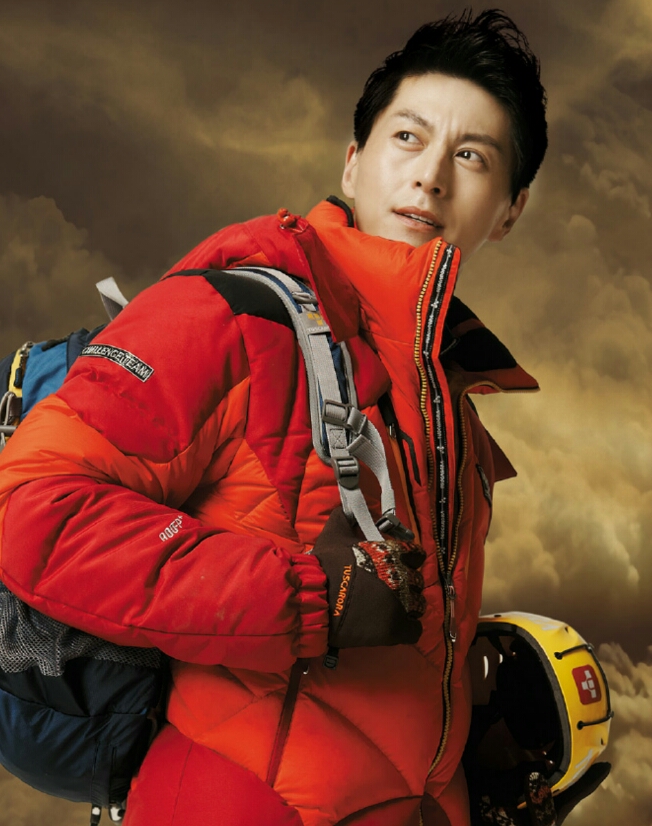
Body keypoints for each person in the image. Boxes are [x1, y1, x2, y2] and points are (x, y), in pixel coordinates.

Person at [0, 9, 563, 826]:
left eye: (472, 156)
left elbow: (384, 659)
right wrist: (305, 597)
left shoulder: (447, 399)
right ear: (354, 161)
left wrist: (467, 747)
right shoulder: (231, 316)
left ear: (509, 210)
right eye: (408, 138)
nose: (431, 177)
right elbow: (31, 507)